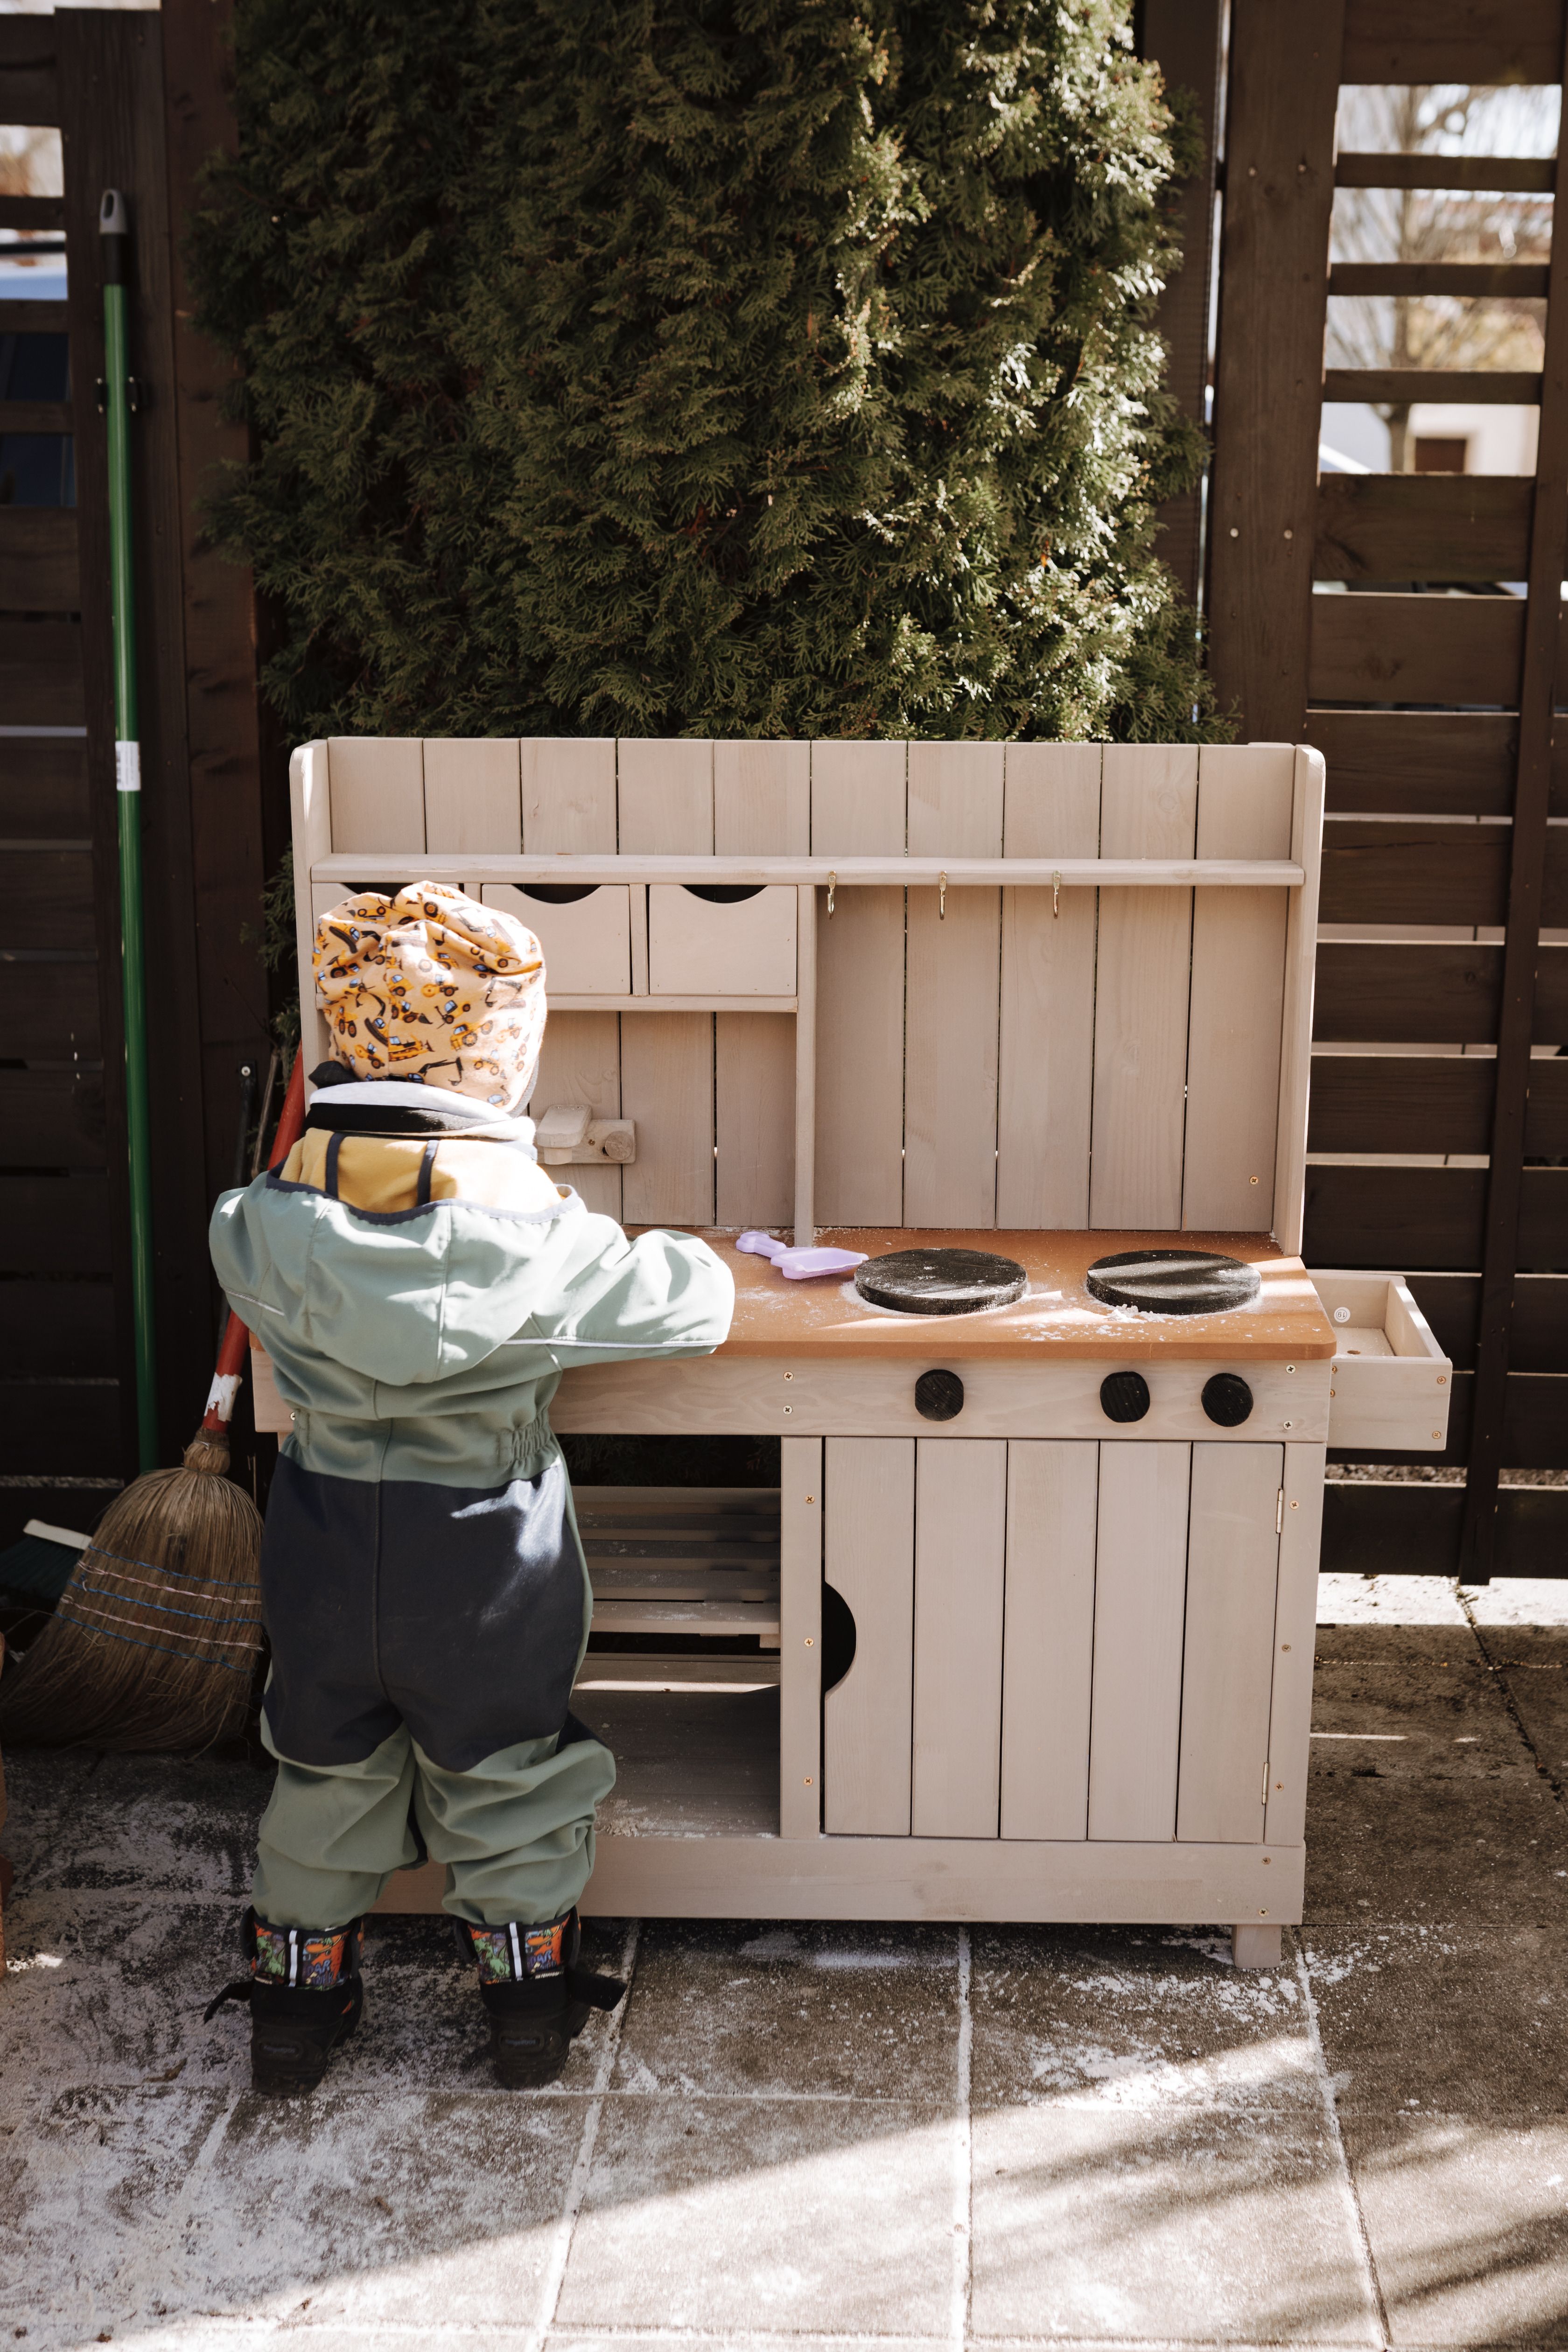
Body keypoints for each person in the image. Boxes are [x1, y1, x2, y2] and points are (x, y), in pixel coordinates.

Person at [206, 882, 733, 2093]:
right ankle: (525, 2006)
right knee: (509, 1774)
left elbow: (243, 1228)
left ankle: (294, 2007)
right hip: (487, 1564)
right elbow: (691, 1304)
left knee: (325, 1767)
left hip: (326, 1551)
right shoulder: (540, 1244)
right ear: (499, 1070)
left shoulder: (267, 1228)